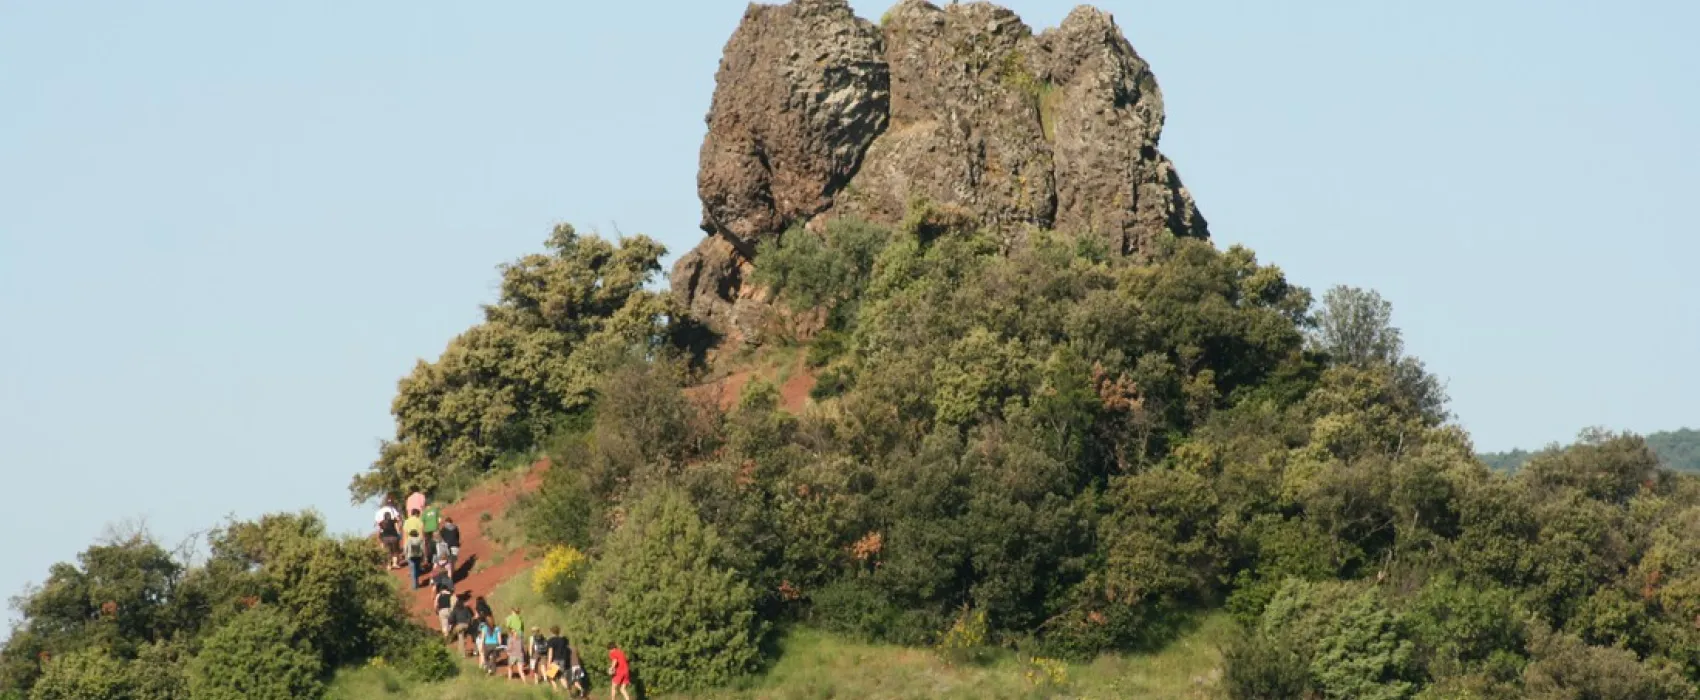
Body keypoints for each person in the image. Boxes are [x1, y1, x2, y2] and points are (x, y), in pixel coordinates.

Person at [544, 626, 570, 693]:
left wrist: (548, 663)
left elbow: (550, 652)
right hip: (562, 660)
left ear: (551, 632)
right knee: (561, 677)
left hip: (555, 661)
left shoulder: (551, 640)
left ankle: (556, 690)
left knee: (550, 676)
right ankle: (569, 693)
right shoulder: (563, 640)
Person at [503, 607, 527, 680]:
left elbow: (507, 626)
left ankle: (512, 660)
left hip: (513, 633)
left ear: (513, 611)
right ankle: (522, 660)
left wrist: (511, 631)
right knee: (519, 647)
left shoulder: (509, 617)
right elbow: (523, 628)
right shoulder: (520, 618)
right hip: (520, 634)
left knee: (511, 645)